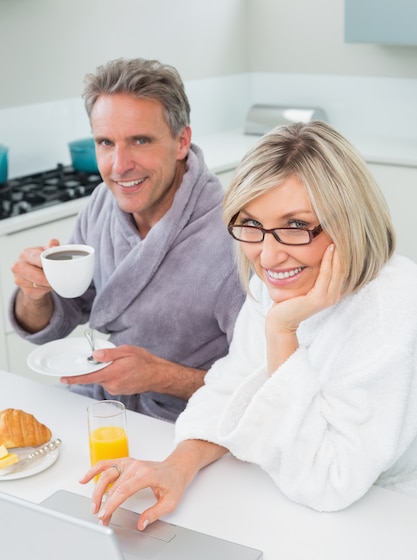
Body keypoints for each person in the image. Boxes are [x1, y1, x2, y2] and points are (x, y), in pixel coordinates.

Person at [81, 120, 417, 527]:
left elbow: (331, 481)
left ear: (348, 221)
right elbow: (230, 386)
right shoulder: (275, 284)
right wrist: (178, 466)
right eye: (252, 225)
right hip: (297, 506)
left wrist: (281, 333)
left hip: (387, 518)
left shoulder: (390, 307)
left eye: (295, 226)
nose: (269, 257)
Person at [9, 58, 245, 421]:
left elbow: (265, 384)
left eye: (140, 140)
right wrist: (35, 293)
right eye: (106, 142)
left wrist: (161, 376)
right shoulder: (102, 203)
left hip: (187, 424)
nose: (119, 165)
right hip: (100, 406)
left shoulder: (236, 238)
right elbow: (65, 313)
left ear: (181, 141)